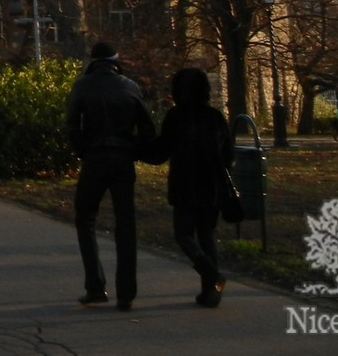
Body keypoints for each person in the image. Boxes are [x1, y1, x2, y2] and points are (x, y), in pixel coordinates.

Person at [65, 41, 156, 312]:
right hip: (122, 162)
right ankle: (126, 293)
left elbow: (72, 125)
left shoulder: (83, 86)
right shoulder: (129, 86)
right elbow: (147, 127)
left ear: (93, 62)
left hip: (94, 159)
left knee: (85, 219)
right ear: (115, 61)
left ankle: (95, 287)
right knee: (125, 224)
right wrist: (133, 150)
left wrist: (83, 150)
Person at [146, 68, 233, 308]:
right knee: (206, 234)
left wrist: (138, 149)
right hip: (212, 184)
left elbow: (160, 151)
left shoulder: (176, 116)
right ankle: (210, 292)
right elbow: (229, 155)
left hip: (185, 183)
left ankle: (211, 274)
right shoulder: (215, 117)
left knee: (183, 234)